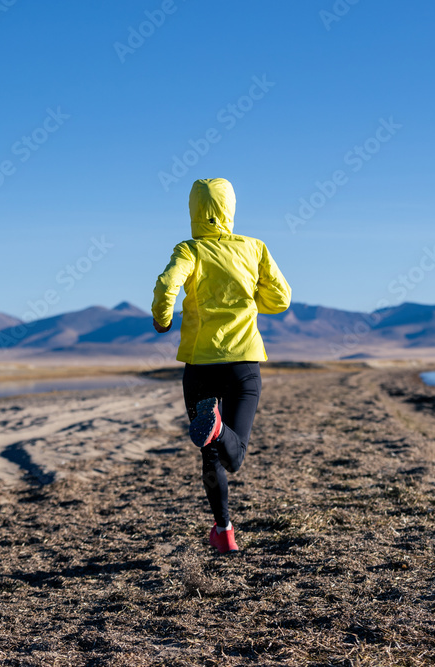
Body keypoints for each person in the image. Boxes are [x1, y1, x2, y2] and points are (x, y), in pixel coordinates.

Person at [151, 177, 291, 554]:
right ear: (230, 208)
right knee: (235, 453)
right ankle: (216, 430)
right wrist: (249, 296)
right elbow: (281, 298)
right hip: (243, 364)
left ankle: (224, 530)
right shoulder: (253, 248)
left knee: (210, 453)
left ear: (194, 210)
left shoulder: (189, 250)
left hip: (200, 366)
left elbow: (167, 286)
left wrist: (162, 319)